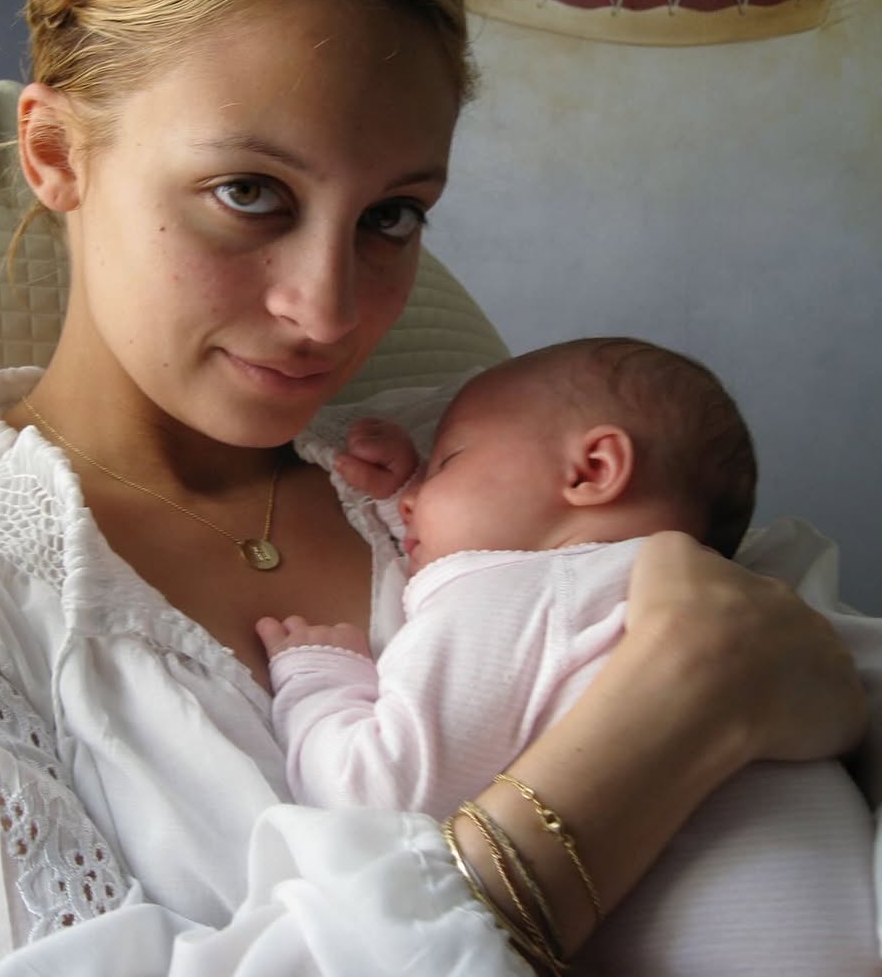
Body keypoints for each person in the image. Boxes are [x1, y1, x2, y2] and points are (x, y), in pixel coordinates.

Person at [0, 0, 870, 974]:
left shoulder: (469, 446)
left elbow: (819, 657)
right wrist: (662, 729)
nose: (329, 310)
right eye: (250, 192)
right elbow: (734, 655)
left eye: (392, 216)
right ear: (53, 152)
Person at [257, 337, 880, 975]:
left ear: (592, 470)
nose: (415, 494)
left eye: (445, 462)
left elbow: (376, 791)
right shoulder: (724, 591)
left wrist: (320, 678)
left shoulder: (505, 591)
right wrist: (408, 503)